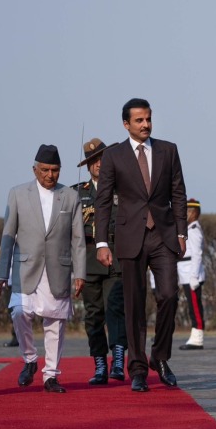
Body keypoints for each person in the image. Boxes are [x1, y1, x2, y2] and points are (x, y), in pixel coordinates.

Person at [94, 97, 189, 393]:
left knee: (169, 295)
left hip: (163, 235)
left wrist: (182, 233)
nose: (146, 124)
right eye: (139, 120)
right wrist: (101, 242)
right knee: (133, 306)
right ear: (126, 124)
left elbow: (179, 193)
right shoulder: (113, 156)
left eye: (148, 119)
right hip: (129, 237)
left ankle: (159, 357)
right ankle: (137, 368)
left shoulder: (168, 150)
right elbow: (103, 201)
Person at [0, 144, 87, 393]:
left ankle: (51, 375)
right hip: (25, 268)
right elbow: (8, 235)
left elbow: (78, 238)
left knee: (55, 322)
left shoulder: (70, 195)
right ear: (34, 169)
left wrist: (80, 273)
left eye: (55, 170)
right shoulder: (17, 193)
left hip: (58, 269)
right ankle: (29, 359)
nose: (50, 175)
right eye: (45, 170)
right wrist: (2, 272)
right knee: (19, 312)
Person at [74, 138, 127, 384]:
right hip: (88, 259)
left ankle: (118, 359)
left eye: (102, 158)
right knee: (93, 314)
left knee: (115, 308)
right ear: (87, 166)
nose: (99, 164)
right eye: (93, 160)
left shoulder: (123, 189)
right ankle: (99, 363)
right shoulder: (78, 193)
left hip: (116, 257)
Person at [178, 198, 206, 350]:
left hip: (191, 274)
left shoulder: (194, 230)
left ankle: (197, 337)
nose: (187, 213)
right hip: (186, 273)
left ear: (196, 213)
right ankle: (195, 335)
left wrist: (194, 276)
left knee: (195, 307)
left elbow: (197, 254)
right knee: (191, 306)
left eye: (189, 211)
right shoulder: (188, 228)